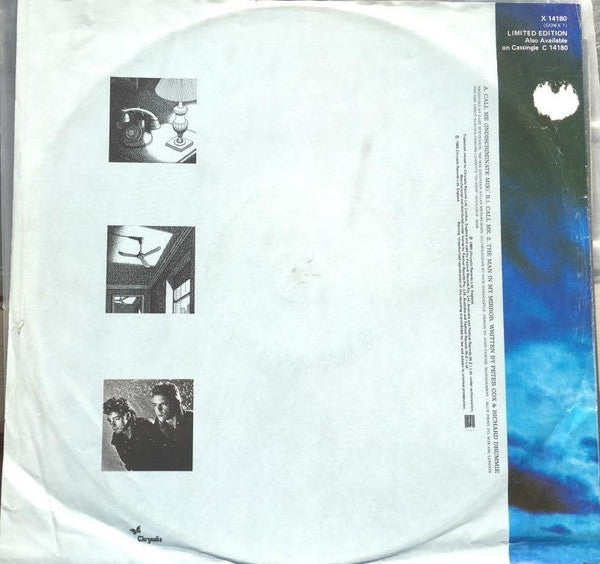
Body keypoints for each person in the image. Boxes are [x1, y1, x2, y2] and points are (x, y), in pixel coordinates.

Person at [103, 397, 166, 471]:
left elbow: (162, 457)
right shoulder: (117, 438)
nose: (112, 425)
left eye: (116, 419)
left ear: (127, 415)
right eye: (110, 421)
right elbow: (129, 464)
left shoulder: (146, 426)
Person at [150, 382, 193, 471]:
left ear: (177, 402)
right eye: (155, 405)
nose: (158, 409)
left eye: (164, 404)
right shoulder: (155, 429)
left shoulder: (194, 421)